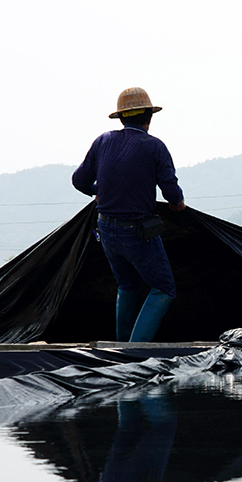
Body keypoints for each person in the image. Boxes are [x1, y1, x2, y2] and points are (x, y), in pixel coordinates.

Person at [72, 87, 187, 342]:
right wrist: (178, 204)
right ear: (149, 117)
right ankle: (134, 351)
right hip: (137, 232)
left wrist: (97, 191)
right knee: (163, 288)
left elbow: (79, 180)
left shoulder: (103, 141)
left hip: (106, 230)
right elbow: (170, 189)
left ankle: (119, 351)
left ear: (121, 118)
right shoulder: (154, 147)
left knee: (128, 286)